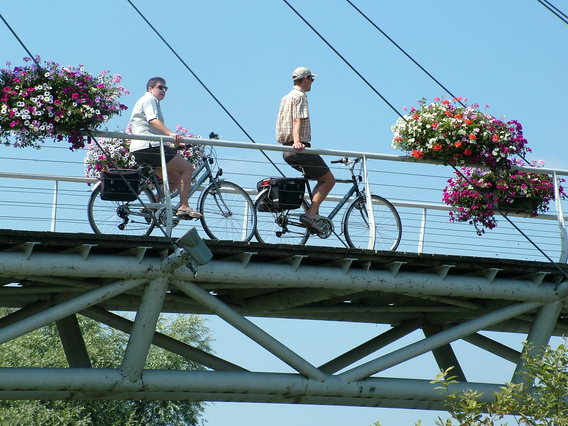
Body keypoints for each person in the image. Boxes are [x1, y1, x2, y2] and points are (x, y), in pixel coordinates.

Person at [129, 76, 202, 219]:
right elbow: (153, 121)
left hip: (142, 148)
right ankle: (184, 206)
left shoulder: (149, 101)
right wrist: (171, 134)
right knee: (187, 168)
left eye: (165, 88)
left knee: (173, 180)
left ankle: (152, 206)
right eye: (160, 87)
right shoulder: (149, 99)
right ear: (150, 89)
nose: (163, 90)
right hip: (150, 146)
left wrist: (173, 141)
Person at [276, 66, 335, 233]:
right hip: (298, 149)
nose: (312, 83)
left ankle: (312, 213)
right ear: (305, 79)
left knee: (319, 177)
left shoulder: (285, 98)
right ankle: (311, 214)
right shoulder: (300, 96)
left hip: (286, 150)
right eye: (312, 80)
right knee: (329, 180)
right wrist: (297, 141)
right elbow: (297, 120)